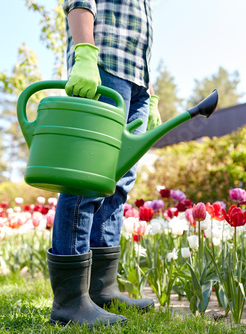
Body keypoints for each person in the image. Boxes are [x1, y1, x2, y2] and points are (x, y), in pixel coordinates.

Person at [46, 0, 159, 326]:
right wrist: (84, 55)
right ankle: (70, 304)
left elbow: (141, 39)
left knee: (118, 183)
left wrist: (151, 94)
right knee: (87, 179)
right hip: (104, 68)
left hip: (137, 83)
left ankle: (101, 290)